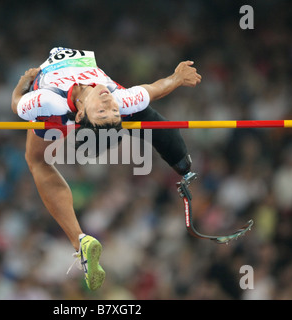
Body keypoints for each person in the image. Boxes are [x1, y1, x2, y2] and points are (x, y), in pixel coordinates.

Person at [11, 47, 201, 290]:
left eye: (102, 111)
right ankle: (182, 165)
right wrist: (177, 77)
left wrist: (22, 83)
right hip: (67, 104)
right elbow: (156, 88)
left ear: (81, 114)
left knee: (37, 161)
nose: (108, 103)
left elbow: (16, 104)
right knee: (145, 114)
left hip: (57, 110)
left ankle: (80, 242)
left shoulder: (46, 102)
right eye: (112, 111)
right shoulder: (122, 99)